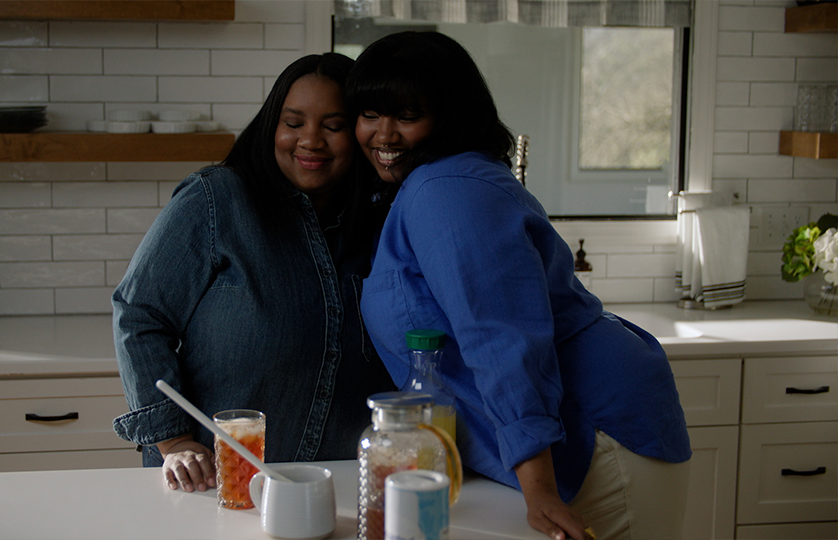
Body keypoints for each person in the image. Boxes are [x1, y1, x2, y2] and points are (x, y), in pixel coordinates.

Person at [349, 32, 691, 540]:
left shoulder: (446, 192)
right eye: (370, 114)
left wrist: (540, 488)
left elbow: (500, 337)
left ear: (448, 114)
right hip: (581, 438)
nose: (383, 134)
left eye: (406, 115)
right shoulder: (436, 184)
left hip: (599, 438)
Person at [112, 52, 395, 494]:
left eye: (333, 125)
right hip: (214, 483)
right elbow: (139, 314)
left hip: (333, 488)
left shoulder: (384, 224)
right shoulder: (217, 199)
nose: (310, 141)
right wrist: (174, 442)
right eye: (294, 122)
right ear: (271, 127)